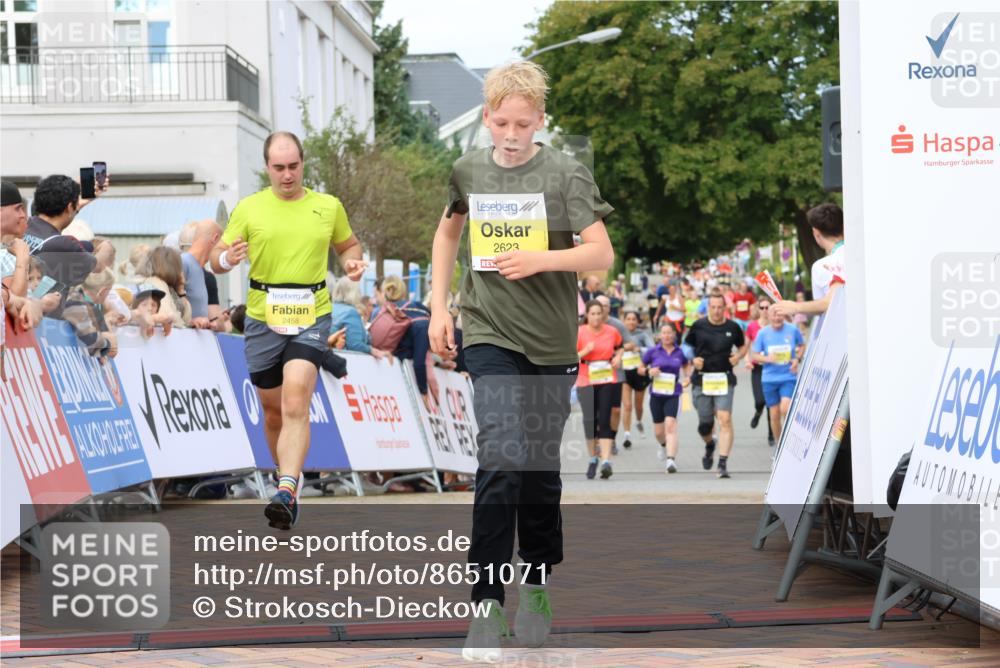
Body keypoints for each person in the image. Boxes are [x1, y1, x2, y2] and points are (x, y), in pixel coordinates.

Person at [427, 60, 614, 661]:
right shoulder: (468, 169)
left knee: (537, 471)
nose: (510, 135)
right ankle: (484, 606)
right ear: (486, 118)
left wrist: (540, 259)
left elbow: (599, 254)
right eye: (501, 123)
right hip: (488, 332)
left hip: (552, 342)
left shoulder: (564, 173)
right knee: (500, 457)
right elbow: (448, 233)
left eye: (522, 124)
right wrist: (438, 307)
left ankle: (535, 578)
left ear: (541, 122)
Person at [210, 130, 367, 530]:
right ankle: (285, 481)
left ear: (303, 164)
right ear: (267, 168)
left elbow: (349, 246)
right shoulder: (249, 208)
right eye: (278, 168)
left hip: (312, 311)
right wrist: (228, 257)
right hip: (263, 315)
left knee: (297, 397)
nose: (286, 175)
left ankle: (286, 489)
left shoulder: (327, 206)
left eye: (293, 166)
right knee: (273, 411)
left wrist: (352, 263)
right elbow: (215, 260)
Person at [683, 290, 748, 479]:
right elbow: (686, 346)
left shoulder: (733, 327)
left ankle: (722, 463)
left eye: (720, 307)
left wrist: (738, 356)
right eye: (713, 307)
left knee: (725, 419)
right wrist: (693, 359)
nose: (717, 311)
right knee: (705, 424)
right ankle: (710, 443)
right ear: (708, 307)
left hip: (724, 378)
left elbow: (743, 346)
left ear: (725, 308)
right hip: (702, 378)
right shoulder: (698, 326)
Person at [24, 174, 104, 291]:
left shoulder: (22, 227)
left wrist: (73, 206)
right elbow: (98, 266)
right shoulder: (64, 245)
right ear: (70, 207)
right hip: (43, 308)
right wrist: (105, 247)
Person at [773, 203, 845, 319]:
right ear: (843, 227)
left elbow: (828, 304)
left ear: (816, 233)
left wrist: (795, 307)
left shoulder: (823, 266)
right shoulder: (862, 254)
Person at [577, 300, 623, 480]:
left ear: (603, 315)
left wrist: (618, 357)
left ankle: (606, 462)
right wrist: (584, 351)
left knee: (604, 419)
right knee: (590, 421)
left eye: (599, 313)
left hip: (606, 378)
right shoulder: (580, 333)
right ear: (587, 315)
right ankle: (592, 458)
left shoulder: (612, 331)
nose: (596, 317)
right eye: (592, 314)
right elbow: (569, 356)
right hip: (586, 380)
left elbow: (620, 347)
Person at [639, 324, 690, 473]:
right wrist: (649, 370)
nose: (667, 336)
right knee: (658, 432)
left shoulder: (680, 352)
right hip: (656, 395)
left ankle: (670, 460)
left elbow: (686, 367)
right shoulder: (652, 351)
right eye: (664, 333)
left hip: (673, 393)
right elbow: (640, 369)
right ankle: (663, 445)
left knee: (671, 424)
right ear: (659, 335)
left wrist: (687, 378)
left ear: (674, 335)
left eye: (669, 333)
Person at [751, 302, 805, 441]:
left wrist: (797, 359)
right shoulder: (763, 333)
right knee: (774, 415)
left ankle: (789, 440)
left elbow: (802, 345)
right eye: (773, 315)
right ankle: (779, 445)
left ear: (783, 315)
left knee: (785, 409)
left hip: (788, 377)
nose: (777, 318)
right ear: (768, 316)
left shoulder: (792, 330)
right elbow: (754, 355)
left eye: (779, 315)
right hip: (769, 379)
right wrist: (767, 358)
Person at [330, 275, 391, 361]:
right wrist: (372, 350)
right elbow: (355, 344)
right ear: (354, 292)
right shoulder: (350, 313)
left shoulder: (330, 308)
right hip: (348, 362)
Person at [179, 218, 222, 329]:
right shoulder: (182, 262)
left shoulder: (199, 269)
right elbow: (166, 305)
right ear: (215, 238)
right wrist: (190, 322)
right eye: (221, 247)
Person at [620, 310, 653, 448]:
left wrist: (639, 350)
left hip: (639, 373)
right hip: (624, 373)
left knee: (638, 406)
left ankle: (638, 421)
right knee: (627, 406)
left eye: (634, 319)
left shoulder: (642, 334)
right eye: (628, 319)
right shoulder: (619, 334)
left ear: (637, 321)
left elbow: (652, 349)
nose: (631, 321)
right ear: (624, 320)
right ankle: (627, 434)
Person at [135, 247, 191, 328]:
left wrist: (181, 290)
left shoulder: (169, 287)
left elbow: (186, 320)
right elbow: (169, 317)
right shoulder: (155, 283)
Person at [745, 300, 775, 446]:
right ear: (758, 309)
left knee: (770, 403)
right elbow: (746, 346)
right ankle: (758, 412)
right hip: (756, 368)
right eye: (761, 307)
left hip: (771, 368)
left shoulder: (774, 325)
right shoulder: (752, 326)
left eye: (767, 307)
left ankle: (771, 434)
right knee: (760, 400)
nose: (764, 310)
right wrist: (747, 360)